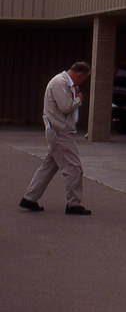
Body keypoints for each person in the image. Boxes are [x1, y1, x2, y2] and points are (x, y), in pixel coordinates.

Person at [19, 61, 92, 215]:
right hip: (61, 132)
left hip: (58, 132)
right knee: (74, 168)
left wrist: (74, 94)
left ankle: (30, 198)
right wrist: (78, 98)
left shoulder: (64, 83)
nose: (82, 82)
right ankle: (73, 204)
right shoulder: (60, 83)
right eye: (83, 79)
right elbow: (65, 107)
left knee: (49, 166)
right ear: (78, 75)